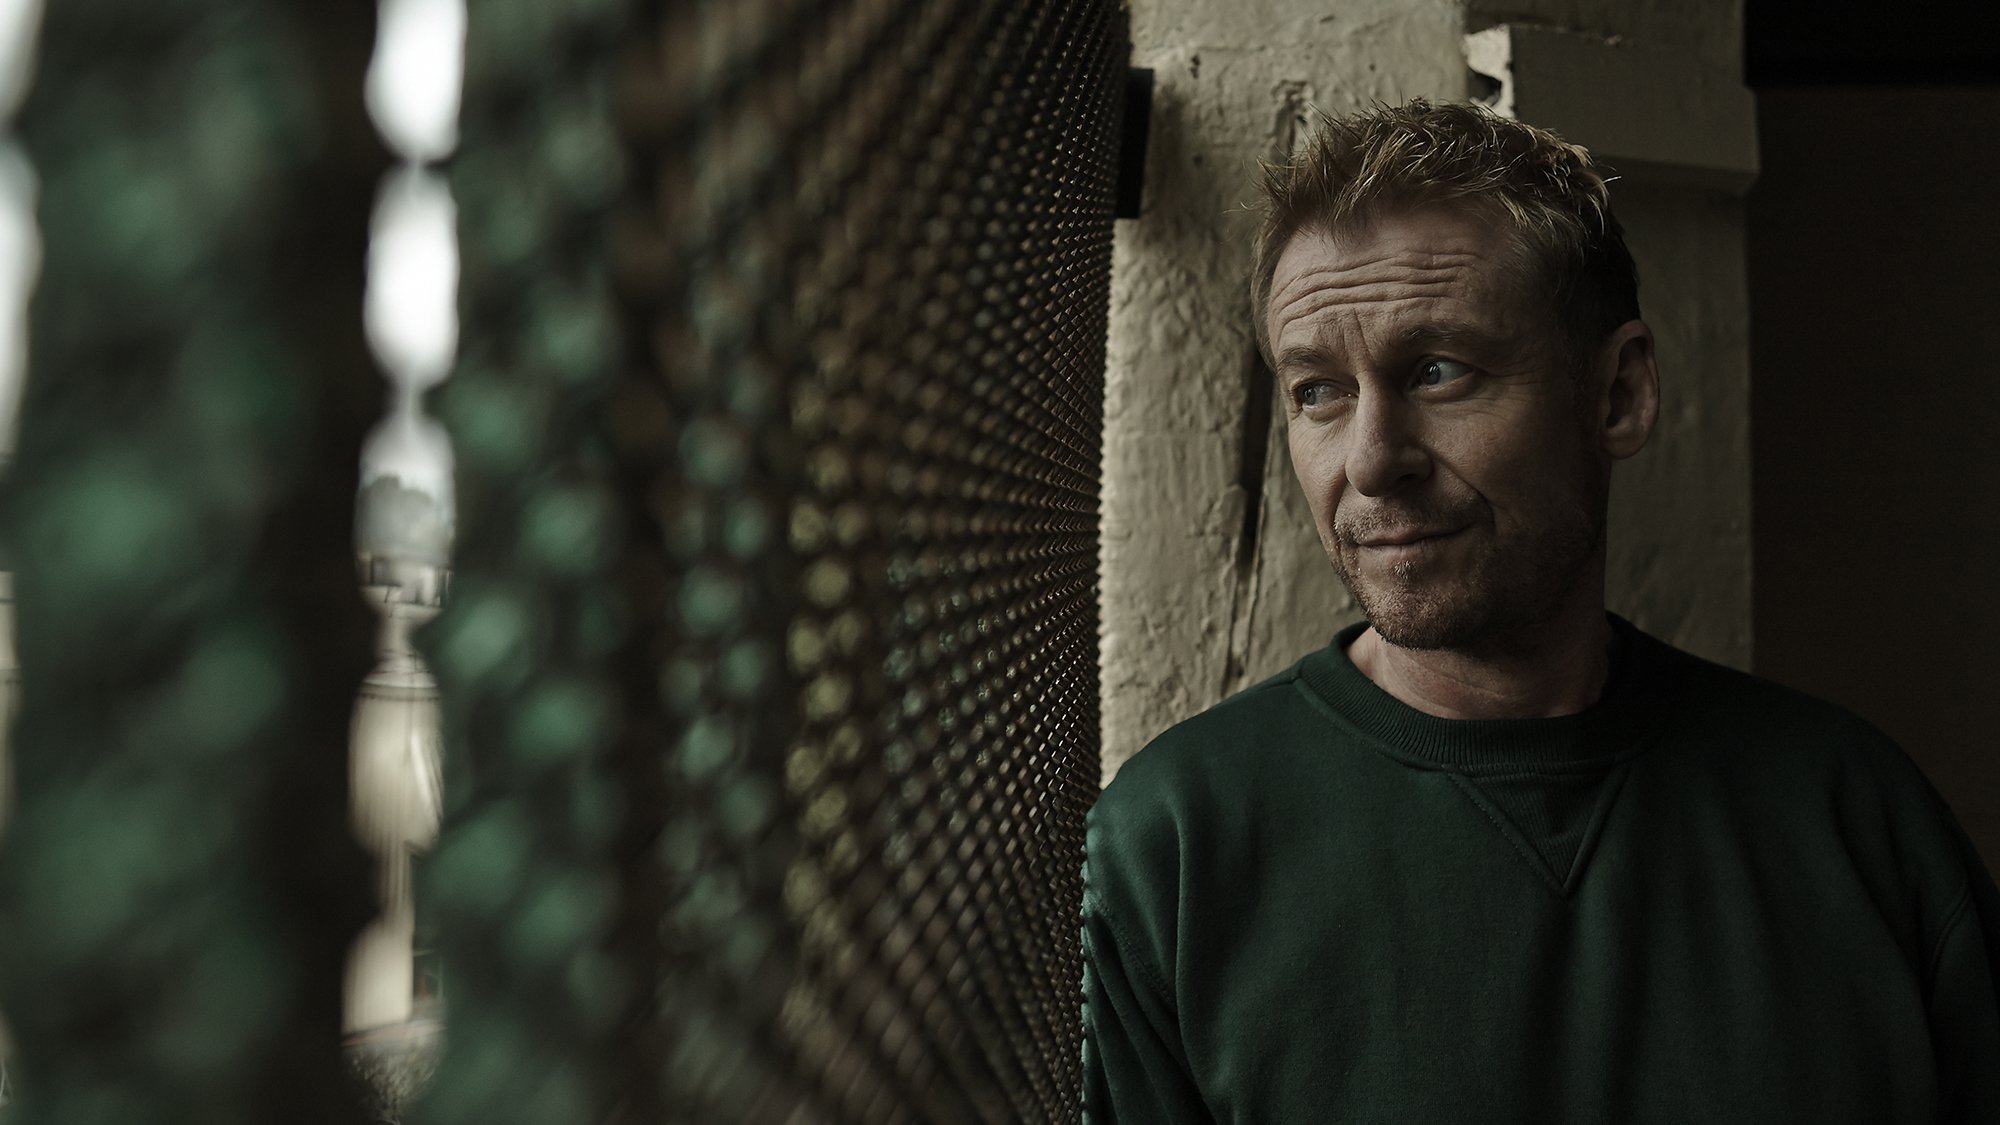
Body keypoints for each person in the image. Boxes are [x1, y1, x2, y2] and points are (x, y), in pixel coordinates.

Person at [1080, 98, 2000, 1123]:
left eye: (1438, 371)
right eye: (1316, 392)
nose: (1370, 462)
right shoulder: (1172, 846)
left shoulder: (1852, 820)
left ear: (1617, 394)